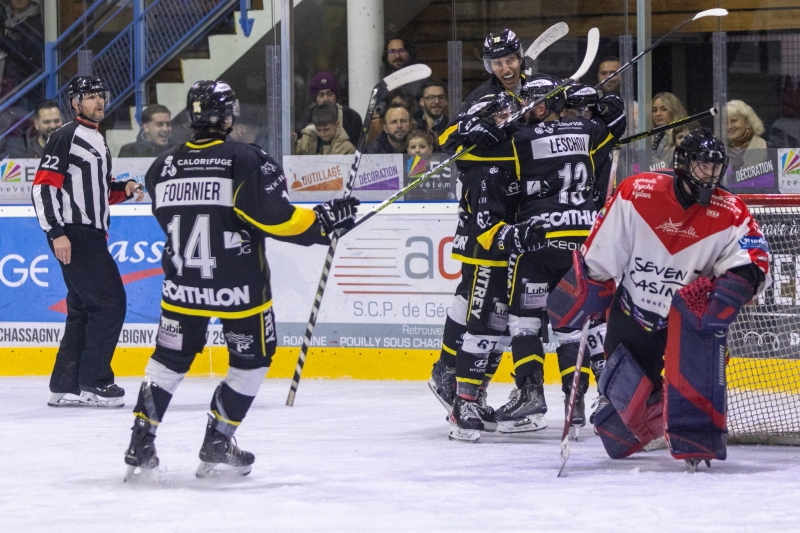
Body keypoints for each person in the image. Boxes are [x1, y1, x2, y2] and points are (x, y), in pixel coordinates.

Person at [123, 80, 360, 480]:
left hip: (183, 285)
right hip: (239, 287)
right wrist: (323, 221)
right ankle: (218, 438)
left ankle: (139, 441)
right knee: (252, 360)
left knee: (168, 360)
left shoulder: (161, 167)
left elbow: (170, 216)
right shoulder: (247, 159)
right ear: (227, 116)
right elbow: (275, 219)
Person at [560, 128, 769, 468]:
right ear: (684, 163)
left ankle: (690, 431)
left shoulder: (731, 210)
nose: (711, 174)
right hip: (633, 312)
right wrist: (588, 286)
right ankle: (658, 409)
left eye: (716, 168)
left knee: (695, 422)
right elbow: (602, 251)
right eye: (704, 166)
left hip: (688, 320)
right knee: (616, 434)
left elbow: (755, 259)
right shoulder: (637, 192)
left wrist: (733, 287)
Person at [484, 74, 626, 435]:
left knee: (525, 320)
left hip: (538, 239)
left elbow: (481, 155)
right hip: (581, 240)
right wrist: (601, 101)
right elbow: (615, 125)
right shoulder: (587, 130)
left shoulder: (520, 137)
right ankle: (577, 401)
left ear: (538, 105)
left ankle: (530, 394)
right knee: (572, 324)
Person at [31, 75, 145, 408]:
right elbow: (43, 188)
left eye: (101, 94)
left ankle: (66, 384)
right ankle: (94, 381)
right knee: (110, 303)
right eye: (90, 96)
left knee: (82, 309)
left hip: (88, 233)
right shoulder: (65, 136)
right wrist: (56, 233)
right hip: (76, 234)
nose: (99, 101)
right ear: (75, 102)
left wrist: (123, 189)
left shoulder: (96, 138)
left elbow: (97, 191)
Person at [439, 29, 526, 151]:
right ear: (490, 66)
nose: (506, 69)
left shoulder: (540, 83)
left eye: (510, 60)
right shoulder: (480, 97)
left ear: (520, 59)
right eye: (498, 63)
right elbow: (444, 138)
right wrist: (473, 127)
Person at [0, 0, 43, 99]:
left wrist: (2, 40)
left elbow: (25, 54)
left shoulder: (36, 22)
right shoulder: (3, 15)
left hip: (22, 84)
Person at [306, 71, 363, 145]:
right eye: (321, 95)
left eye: (330, 94)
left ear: (336, 96)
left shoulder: (351, 118)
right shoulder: (306, 119)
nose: (326, 99)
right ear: (315, 98)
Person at [726, 99, 774, 169]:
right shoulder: (717, 149)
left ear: (747, 123)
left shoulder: (768, 149)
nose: (729, 127)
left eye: (734, 121)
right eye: (725, 122)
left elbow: (771, 178)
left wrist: (739, 166)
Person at [650, 92, 687, 171]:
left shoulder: (682, 134)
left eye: (664, 109)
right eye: (654, 110)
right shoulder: (648, 136)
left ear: (674, 110)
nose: (658, 114)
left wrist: (649, 159)